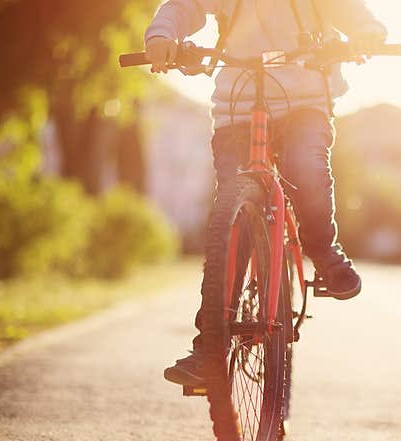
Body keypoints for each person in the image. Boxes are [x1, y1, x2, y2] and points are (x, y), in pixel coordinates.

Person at [144, 0, 388, 386]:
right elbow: (186, 5)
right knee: (230, 216)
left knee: (305, 169)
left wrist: (365, 31)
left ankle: (324, 252)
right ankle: (210, 348)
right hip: (237, 106)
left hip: (304, 103)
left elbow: (346, 9)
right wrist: (162, 36)